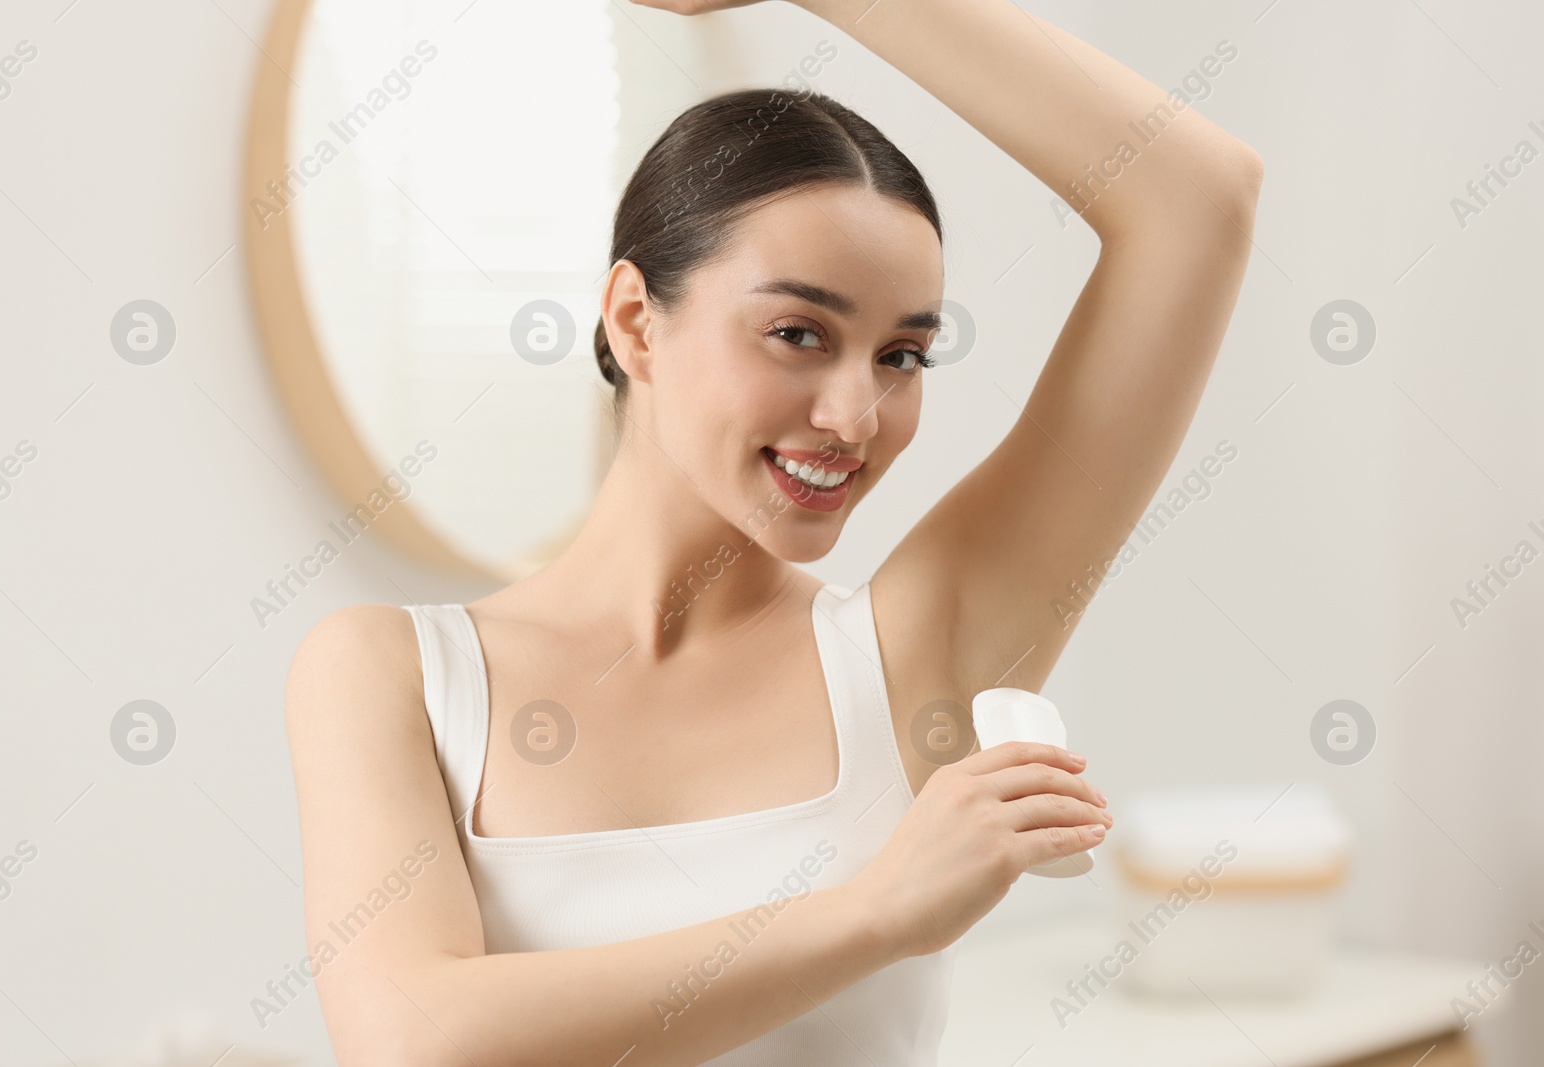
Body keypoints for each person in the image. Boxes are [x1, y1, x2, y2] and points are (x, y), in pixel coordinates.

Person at [283, 0, 1262, 1063]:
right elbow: (413, 1041)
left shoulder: (917, 649)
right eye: (798, 333)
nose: (854, 416)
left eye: (901, 354)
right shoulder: (395, 673)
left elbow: (1195, 199)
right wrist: (878, 909)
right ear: (633, 319)